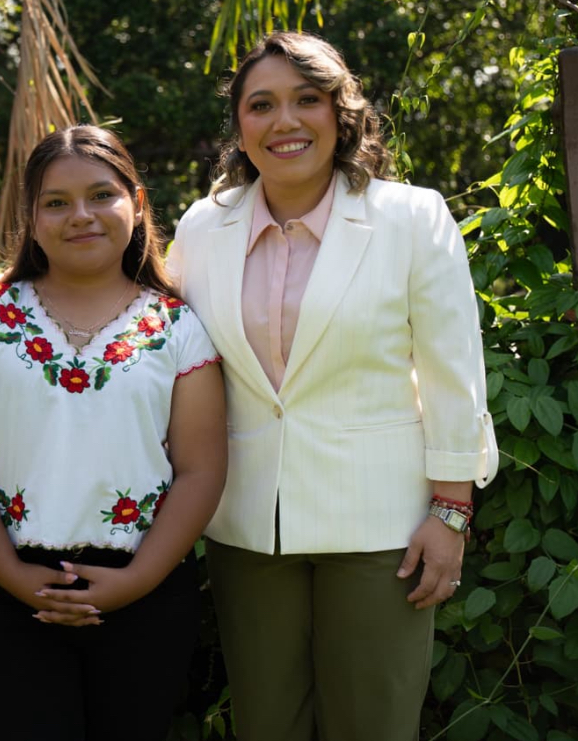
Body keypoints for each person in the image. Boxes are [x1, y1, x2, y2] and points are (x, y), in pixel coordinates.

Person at [167, 32, 499, 741]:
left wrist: (451, 511)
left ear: (340, 112)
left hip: (381, 526)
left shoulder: (410, 218)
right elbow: (167, 360)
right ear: (240, 126)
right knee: (265, 724)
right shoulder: (201, 226)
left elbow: (452, 371)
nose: (284, 121)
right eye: (261, 105)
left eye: (305, 100)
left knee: (372, 725)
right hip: (245, 524)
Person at [0, 125, 227, 741]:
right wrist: (14, 577)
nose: (80, 216)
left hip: (144, 591)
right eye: (56, 203)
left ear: (136, 205)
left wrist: (135, 582)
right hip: (12, 591)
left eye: (101, 196)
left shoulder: (179, 326)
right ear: (30, 219)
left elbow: (202, 468)